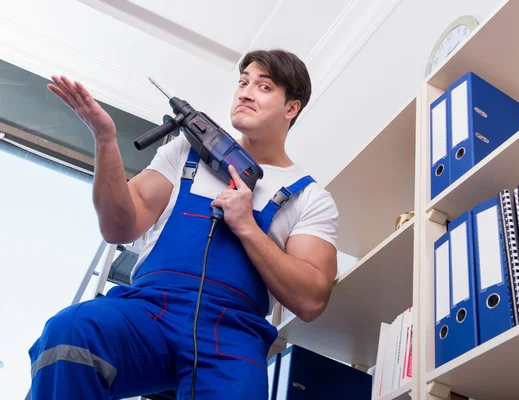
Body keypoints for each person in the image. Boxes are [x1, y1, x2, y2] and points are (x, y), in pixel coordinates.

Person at [27, 49, 339, 399]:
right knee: (71, 331)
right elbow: (118, 227)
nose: (246, 92)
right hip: (150, 311)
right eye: (243, 82)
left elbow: (312, 299)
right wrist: (105, 139)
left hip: (233, 335)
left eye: (264, 87)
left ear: (291, 108)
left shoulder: (310, 198)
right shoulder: (183, 153)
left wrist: (248, 227)